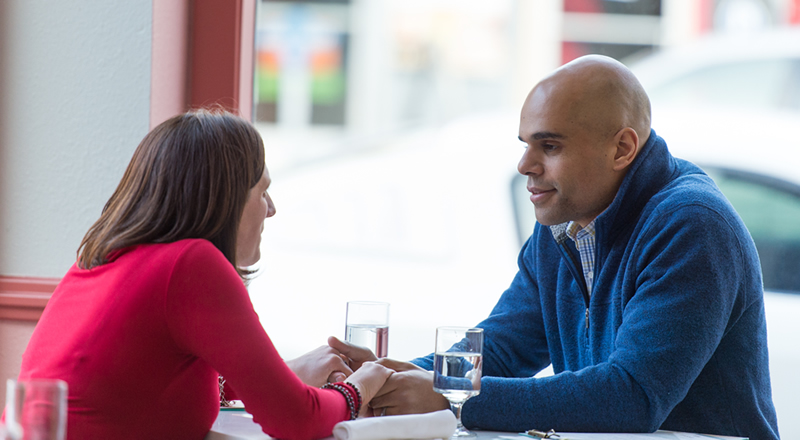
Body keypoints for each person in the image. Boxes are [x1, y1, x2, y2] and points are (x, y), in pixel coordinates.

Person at [334, 55, 780, 439]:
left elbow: (632, 397)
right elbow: (504, 350)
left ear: (622, 148)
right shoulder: (564, 222)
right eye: (527, 144)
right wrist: (384, 379)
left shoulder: (691, 225)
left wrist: (445, 396)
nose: (525, 165)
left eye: (549, 146)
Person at [17, 110, 392, 440]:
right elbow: (297, 421)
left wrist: (284, 376)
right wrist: (366, 383)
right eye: (262, 191)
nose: (272, 209)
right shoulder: (191, 264)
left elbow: (143, 386)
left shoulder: (103, 257)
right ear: (226, 199)